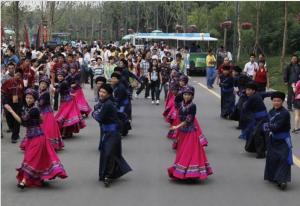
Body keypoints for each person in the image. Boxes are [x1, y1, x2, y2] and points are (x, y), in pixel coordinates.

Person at [4, 88, 68, 188]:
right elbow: (41, 120)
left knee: (30, 159)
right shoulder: (29, 108)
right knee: (31, 159)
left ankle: (24, 181)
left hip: (38, 138)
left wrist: (11, 111)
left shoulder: (34, 109)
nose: (28, 99)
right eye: (27, 97)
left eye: (30, 98)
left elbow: (22, 122)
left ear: (34, 99)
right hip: (31, 137)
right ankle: (35, 177)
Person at [168, 86, 213, 180]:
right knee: (182, 152)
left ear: (192, 96)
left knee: (188, 152)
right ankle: (182, 172)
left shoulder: (193, 106)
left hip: (191, 132)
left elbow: (189, 119)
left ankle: (190, 174)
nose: (186, 96)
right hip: (183, 133)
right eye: (185, 94)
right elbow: (176, 103)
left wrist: (177, 126)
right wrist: (179, 93)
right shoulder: (181, 104)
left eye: (189, 95)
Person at [92, 84, 132, 187]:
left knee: (109, 153)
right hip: (109, 132)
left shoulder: (107, 104)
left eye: (104, 92)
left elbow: (99, 118)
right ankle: (108, 174)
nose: (101, 93)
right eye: (100, 91)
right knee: (108, 153)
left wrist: (94, 113)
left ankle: (107, 176)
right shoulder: (105, 102)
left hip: (113, 133)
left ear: (109, 94)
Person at [263, 91, 293, 190]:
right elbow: (266, 124)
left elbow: (275, 127)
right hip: (273, 139)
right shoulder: (271, 111)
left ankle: (282, 180)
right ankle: (274, 177)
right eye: (274, 100)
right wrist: (266, 127)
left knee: (284, 159)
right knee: (272, 158)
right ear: (272, 101)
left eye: (278, 101)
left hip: (283, 140)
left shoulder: (285, 113)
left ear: (282, 102)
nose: (276, 102)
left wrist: (267, 126)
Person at [242, 83, 272, 158]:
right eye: (246, 90)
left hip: (262, 119)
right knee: (262, 134)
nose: (247, 92)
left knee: (258, 135)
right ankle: (262, 150)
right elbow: (267, 93)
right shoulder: (257, 95)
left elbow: (245, 108)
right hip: (262, 118)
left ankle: (261, 153)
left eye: (249, 90)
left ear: (253, 90)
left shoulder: (253, 98)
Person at [54, 70, 86, 138]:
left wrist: (52, 88)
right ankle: (69, 132)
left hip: (67, 101)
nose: (59, 77)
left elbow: (57, 91)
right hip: (66, 100)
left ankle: (64, 133)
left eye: (61, 76)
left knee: (65, 116)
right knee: (67, 116)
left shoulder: (63, 83)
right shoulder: (62, 82)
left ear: (63, 76)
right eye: (58, 76)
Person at [38, 76, 64, 150]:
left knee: (47, 129)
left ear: (47, 85)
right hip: (43, 111)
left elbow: (40, 103)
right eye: (41, 83)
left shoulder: (45, 93)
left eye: (44, 84)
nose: (42, 85)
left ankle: (48, 145)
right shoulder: (40, 91)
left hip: (46, 113)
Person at [1, 69, 24, 143]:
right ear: (14, 74)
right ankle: (13, 129)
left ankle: (14, 136)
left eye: (20, 75)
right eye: (17, 74)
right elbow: (2, 91)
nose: (18, 76)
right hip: (9, 101)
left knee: (17, 118)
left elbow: (23, 92)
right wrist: (4, 101)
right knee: (9, 117)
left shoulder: (21, 82)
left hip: (18, 102)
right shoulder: (8, 81)